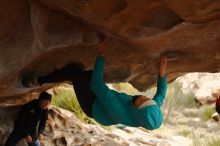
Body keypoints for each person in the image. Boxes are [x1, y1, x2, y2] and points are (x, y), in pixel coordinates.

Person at [25, 41, 167, 130]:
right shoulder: (151, 108)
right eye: (147, 99)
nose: (143, 97)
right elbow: (161, 94)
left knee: (74, 70)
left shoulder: (119, 111)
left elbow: (98, 85)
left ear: (137, 111)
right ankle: (68, 76)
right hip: (103, 101)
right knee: (89, 73)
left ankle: (39, 80)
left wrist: (102, 54)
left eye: (141, 101)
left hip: (93, 107)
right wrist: (162, 74)